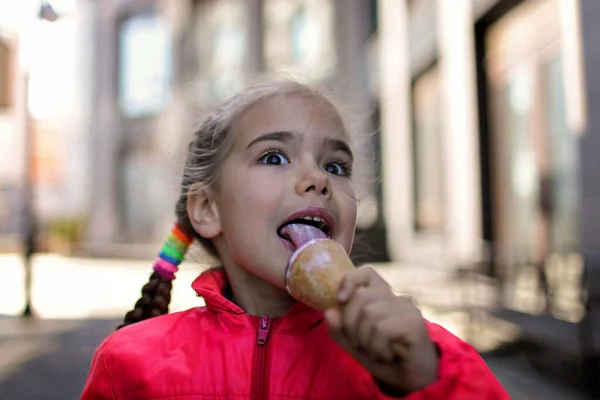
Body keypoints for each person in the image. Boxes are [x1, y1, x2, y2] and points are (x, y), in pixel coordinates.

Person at [81, 79, 509, 399]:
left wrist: (424, 380)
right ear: (208, 208)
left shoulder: (424, 353)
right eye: (274, 157)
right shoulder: (130, 364)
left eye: (337, 166)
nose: (317, 178)